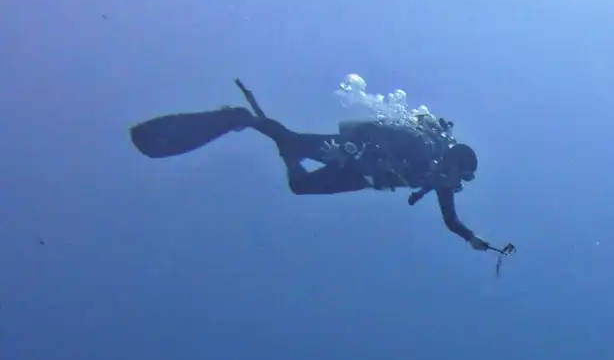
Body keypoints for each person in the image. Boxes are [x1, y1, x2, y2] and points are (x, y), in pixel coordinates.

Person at [129, 79, 515, 257]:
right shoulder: (422, 147)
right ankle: (241, 118)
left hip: (359, 176)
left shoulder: (440, 182)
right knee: (294, 144)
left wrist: (473, 240)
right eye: (459, 174)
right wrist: (360, 153)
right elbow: (377, 134)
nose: (455, 183)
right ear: (452, 161)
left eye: (459, 180)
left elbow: (450, 220)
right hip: (354, 156)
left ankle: (255, 125)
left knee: (298, 181)